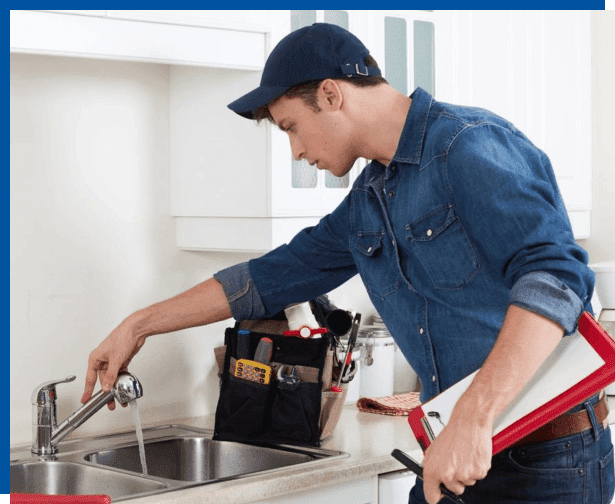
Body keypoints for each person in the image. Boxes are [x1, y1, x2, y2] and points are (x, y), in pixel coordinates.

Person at [82, 23, 613, 504]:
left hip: (546, 462)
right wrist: (139, 324)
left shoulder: (466, 147)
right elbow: (267, 278)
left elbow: (557, 278)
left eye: (291, 126)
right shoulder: (370, 199)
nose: (294, 150)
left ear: (331, 95)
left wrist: (473, 418)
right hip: (455, 455)